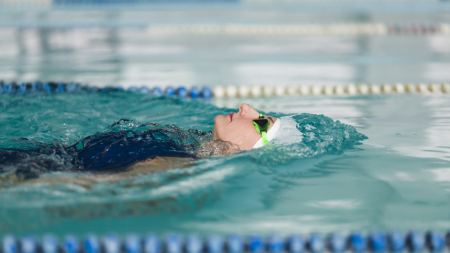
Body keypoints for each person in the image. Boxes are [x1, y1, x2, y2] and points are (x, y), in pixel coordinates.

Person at [0, 104, 283, 181]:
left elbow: (88, 184)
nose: (247, 108)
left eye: (260, 122)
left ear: (251, 148)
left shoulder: (178, 164)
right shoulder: (186, 144)